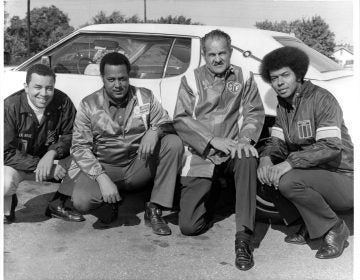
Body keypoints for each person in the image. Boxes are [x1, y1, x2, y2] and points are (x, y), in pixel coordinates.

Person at [57, 52, 183, 235]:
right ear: (102, 79)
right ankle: (111, 200)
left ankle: (155, 207)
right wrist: (101, 178)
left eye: (123, 79)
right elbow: (79, 147)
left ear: (128, 76)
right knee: (81, 201)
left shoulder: (144, 97)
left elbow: (168, 123)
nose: (118, 85)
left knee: (173, 143)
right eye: (111, 79)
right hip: (105, 166)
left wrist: (155, 131)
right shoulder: (89, 105)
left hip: (138, 164)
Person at [173, 29, 265, 271]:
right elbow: (181, 119)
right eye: (211, 54)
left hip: (234, 148)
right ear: (204, 55)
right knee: (189, 227)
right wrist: (212, 139)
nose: (217, 59)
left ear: (230, 52)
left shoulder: (244, 76)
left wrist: (245, 139)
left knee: (248, 158)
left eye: (222, 53)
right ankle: (219, 194)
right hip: (201, 153)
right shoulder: (191, 79)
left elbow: (254, 111)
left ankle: (244, 239)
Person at [257, 46, 353, 259]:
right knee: (266, 173)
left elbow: (330, 146)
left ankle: (335, 228)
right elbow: (277, 142)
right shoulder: (284, 105)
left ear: (299, 74)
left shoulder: (321, 99)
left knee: (288, 180)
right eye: (274, 78)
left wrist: (289, 163)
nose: (280, 83)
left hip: (343, 178)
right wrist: (265, 159)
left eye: (285, 75)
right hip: (314, 173)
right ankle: (311, 224)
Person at [4, 64, 84, 224]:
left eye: (49, 88)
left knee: (84, 156)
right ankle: (6, 207)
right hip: (19, 165)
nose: (44, 94)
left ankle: (59, 203)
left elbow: (75, 135)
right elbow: (5, 152)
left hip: (52, 163)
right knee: (3, 183)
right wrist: (39, 165)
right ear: (26, 87)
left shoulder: (63, 101)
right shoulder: (9, 107)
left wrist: (53, 153)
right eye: (37, 87)